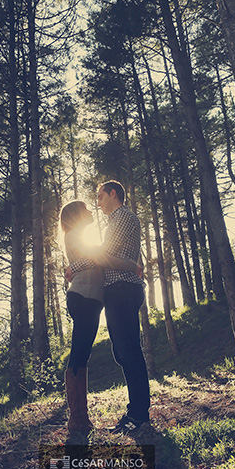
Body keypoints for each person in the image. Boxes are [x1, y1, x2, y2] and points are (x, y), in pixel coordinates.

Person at [65, 180, 150, 433]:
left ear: (114, 194)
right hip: (117, 290)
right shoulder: (115, 221)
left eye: (101, 197)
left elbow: (102, 254)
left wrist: (74, 267)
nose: (98, 202)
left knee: (129, 351)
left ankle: (138, 414)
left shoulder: (123, 216)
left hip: (123, 288)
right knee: (122, 352)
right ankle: (135, 411)